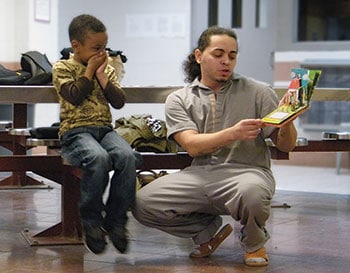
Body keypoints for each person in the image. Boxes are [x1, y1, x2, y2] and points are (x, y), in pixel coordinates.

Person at [132, 26, 297, 267]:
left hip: (248, 172)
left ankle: (254, 243)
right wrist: (233, 133)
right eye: (218, 54)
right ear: (199, 56)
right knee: (142, 203)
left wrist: (289, 123)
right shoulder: (179, 99)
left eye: (232, 55)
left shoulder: (259, 92)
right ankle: (207, 233)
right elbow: (193, 146)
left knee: (252, 193)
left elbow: (287, 145)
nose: (226, 61)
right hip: (199, 175)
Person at [52, 14, 142, 255]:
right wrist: (89, 72)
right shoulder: (63, 67)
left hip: (104, 129)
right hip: (75, 132)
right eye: (96, 48)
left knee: (127, 156)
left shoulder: (106, 69)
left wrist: (103, 76)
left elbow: (119, 102)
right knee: (98, 158)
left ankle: (116, 220)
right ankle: (91, 220)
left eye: (104, 47)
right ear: (76, 46)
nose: (102, 53)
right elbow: (73, 95)